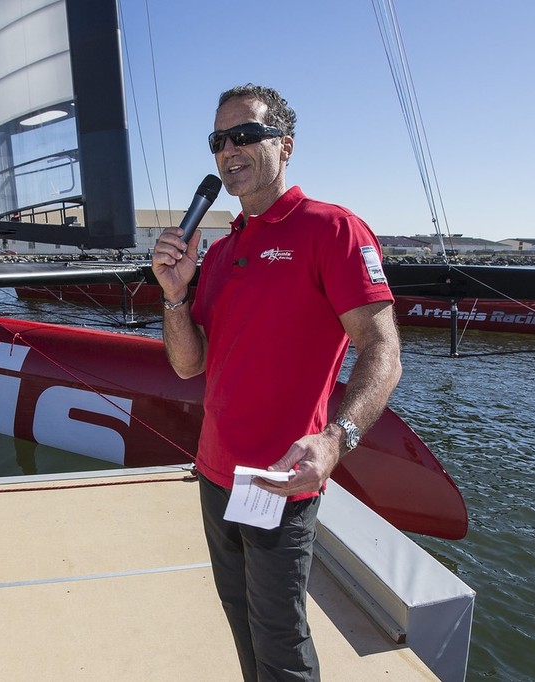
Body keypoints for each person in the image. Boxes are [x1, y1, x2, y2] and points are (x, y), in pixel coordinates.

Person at [152, 84, 402, 681]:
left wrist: (337, 438)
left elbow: (383, 350)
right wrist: (175, 296)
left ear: (284, 146)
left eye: (245, 135)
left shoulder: (332, 230)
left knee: (280, 639)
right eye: (218, 140)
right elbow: (189, 364)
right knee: (241, 622)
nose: (229, 149)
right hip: (215, 474)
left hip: (279, 480)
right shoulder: (219, 251)